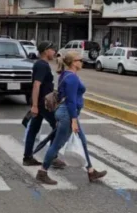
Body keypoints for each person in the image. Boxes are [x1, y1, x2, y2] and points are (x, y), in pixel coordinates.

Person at [36, 52, 107, 185]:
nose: (82, 62)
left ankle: (91, 171)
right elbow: (71, 101)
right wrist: (73, 120)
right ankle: (42, 172)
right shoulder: (72, 78)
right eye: (80, 60)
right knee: (57, 144)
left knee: (83, 141)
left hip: (68, 113)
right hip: (67, 114)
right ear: (73, 62)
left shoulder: (67, 74)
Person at [23, 41, 66, 169]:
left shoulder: (42, 64)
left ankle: (28, 157)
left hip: (42, 103)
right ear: (46, 51)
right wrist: (35, 105)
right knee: (57, 126)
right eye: (52, 49)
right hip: (43, 104)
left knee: (33, 130)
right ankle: (52, 157)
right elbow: (37, 85)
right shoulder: (42, 65)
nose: (54, 52)